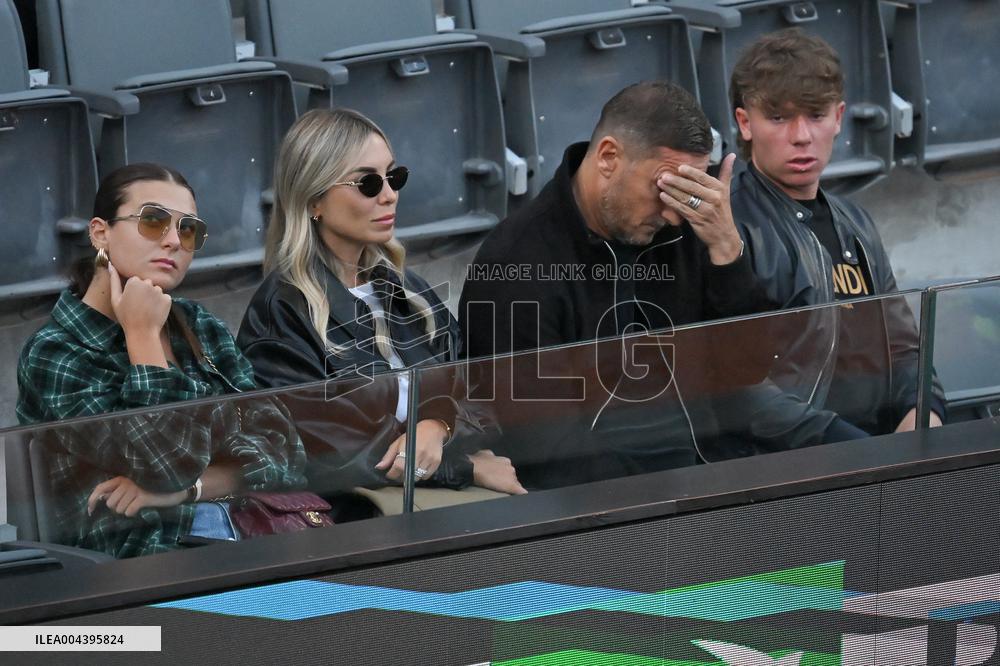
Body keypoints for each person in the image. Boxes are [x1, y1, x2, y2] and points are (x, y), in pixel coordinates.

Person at [458, 81, 772, 488]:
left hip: (714, 470)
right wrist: (664, 504)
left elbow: (751, 370)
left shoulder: (691, 229)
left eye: (689, 192)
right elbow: (546, 448)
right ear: (608, 157)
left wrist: (727, 249)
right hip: (614, 505)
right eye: (663, 188)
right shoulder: (516, 263)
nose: (674, 214)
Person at [16, 163, 307, 558]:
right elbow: (165, 465)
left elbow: (287, 453)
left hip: (249, 533)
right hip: (145, 564)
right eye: (153, 222)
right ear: (100, 232)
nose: (173, 241)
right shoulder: (57, 352)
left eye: (188, 230)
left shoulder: (198, 325)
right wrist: (142, 337)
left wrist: (189, 489)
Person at [237, 108, 525, 498]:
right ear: (312, 201)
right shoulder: (282, 312)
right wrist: (463, 467)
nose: (390, 194)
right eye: (368, 183)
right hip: (360, 512)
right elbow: (325, 455)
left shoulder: (407, 289)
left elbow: (480, 393)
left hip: (434, 491)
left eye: (394, 176)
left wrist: (437, 425)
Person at [727, 28, 945, 442]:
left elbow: (904, 350)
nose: (801, 136)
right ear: (745, 122)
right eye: (778, 118)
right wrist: (849, 449)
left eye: (816, 115)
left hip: (876, 452)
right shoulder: (727, 227)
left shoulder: (855, 221)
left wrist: (922, 421)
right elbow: (734, 388)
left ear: (839, 118)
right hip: (789, 469)